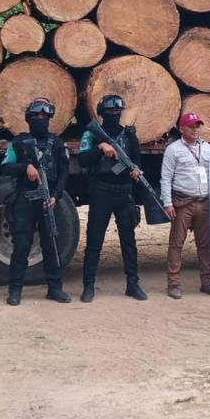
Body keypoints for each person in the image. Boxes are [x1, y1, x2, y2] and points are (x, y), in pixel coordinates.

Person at [1, 98, 72, 306]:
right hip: (25, 199)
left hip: (48, 200)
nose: (40, 120)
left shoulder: (57, 143)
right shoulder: (19, 143)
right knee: (22, 245)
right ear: (28, 119)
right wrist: (25, 167)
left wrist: (56, 195)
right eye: (36, 116)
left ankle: (55, 288)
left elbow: (64, 172)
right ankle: (15, 290)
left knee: (51, 245)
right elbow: (5, 167)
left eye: (44, 117)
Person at [77, 94, 146, 302]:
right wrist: (100, 149)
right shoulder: (92, 134)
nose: (114, 114)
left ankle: (132, 284)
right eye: (110, 111)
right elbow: (82, 160)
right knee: (94, 241)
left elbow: (136, 160)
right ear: (102, 113)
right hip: (101, 191)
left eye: (117, 111)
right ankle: (88, 286)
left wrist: (136, 172)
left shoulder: (129, 135)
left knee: (128, 242)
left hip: (124, 192)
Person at [160, 113, 210, 299]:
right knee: (176, 244)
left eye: (197, 126)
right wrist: (167, 203)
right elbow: (165, 177)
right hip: (183, 203)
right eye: (191, 126)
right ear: (182, 128)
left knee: (205, 245)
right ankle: (173, 283)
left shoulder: (206, 148)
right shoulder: (173, 150)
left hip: (204, 202)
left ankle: (207, 282)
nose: (195, 130)